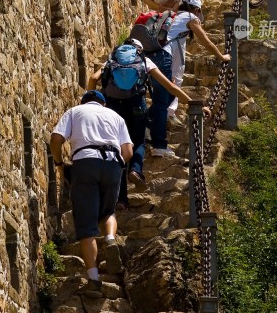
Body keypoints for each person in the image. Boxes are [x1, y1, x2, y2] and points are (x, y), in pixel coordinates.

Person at [87, 37, 207, 207]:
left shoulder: (112, 59)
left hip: (112, 107)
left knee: (116, 148)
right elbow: (170, 87)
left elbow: (93, 78)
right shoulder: (144, 60)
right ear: (139, 49)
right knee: (138, 142)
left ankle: (120, 199)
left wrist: (89, 105)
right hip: (136, 104)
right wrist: (195, 104)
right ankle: (136, 169)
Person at [50, 90, 133, 296]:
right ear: (103, 104)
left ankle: (94, 281)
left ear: (84, 102)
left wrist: (59, 162)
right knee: (108, 211)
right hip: (113, 163)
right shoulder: (116, 117)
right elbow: (129, 151)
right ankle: (111, 239)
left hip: (85, 162)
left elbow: (56, 138)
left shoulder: (75, 111)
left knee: (86, 226)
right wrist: (117, 166)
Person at [132, 0, 231, 157]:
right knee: (163, 99)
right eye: (199, 11)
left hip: (148, 55)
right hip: (162, 57)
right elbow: (207, 42)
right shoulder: (190, 17)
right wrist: (222, 57)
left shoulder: (171, 15)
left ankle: (148, 127)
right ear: (196, 9)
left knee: (168, 94)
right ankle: (159, 145)